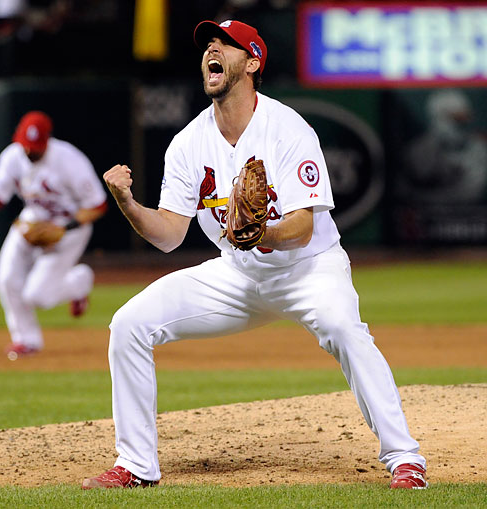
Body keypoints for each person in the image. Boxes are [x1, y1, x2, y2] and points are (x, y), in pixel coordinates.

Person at [82, 20, 427, 489]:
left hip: (309, 270)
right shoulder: (188, 143)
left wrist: (261, 230)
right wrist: (128, 203)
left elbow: (304, 227)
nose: (211, 50)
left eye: (224, 44)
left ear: (252, 61)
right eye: (207, 43)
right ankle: (137, 465)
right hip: (238, 274)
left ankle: (405, 458)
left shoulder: (287, 128)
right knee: (129, 324)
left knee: (346, 330)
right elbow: (168, 236)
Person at [0, 111, 107, 360]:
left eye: (35, 147)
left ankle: (79, 281)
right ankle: (26, 340)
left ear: (48, 140)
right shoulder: (12, 156)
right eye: (25, 145)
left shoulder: (69, 160)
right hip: (33, 218)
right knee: (5, 278)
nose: (29, 151)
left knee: (38, 296)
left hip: (70, 227)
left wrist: (63, 229)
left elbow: (98, 206)